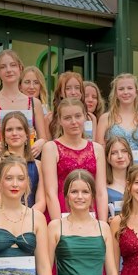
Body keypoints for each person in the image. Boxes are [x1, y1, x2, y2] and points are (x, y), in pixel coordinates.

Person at [43, 96, 103, 224]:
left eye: (78, 116)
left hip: (90, 211)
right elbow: (50, 192)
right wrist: (59, 225)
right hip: (61, 210)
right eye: (67, 118)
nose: (74, 122)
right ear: (59, 120)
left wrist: (102, 224)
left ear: (85, 117)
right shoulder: (51, 148)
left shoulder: (97, 149)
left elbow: (101, 192)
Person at [0, 109, 43, 212]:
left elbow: (41, 201)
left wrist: (28, 216)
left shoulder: (38, 164)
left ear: (27, 134)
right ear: (3, 136)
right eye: (9, 130)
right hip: (2, 214)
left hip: (32, 216)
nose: (14, 133)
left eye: (19, 129)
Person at [0, 51, 41, 144]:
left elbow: (43, 138)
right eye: (3, 67)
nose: (8, 70)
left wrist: (40, 143)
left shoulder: (35, 103)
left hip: (27, 153)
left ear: (20, 68)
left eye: (13, 65)